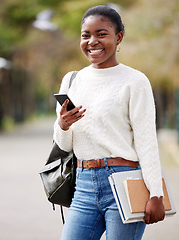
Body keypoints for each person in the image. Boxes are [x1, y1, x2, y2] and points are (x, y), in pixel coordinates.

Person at [53, 5, 165, 240]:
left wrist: (156, 193)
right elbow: (64, 146)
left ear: (118, 37)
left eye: (101, 34)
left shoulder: (135, 81)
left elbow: (146, 140)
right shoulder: (72, 80)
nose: (92, 41)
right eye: (86, 35)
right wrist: (63, 125)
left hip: (125, 180)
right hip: (83, 183)